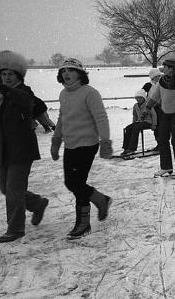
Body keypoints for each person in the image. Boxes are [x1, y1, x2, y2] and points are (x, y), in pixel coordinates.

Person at [50, 58, 113, 240]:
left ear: (80, 74)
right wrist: (56, 140)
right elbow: (62, 118)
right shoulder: (63, 94)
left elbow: (101, 117)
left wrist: (105, 141)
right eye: (63, 71)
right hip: (70, 144)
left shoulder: (90, 93)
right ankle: (100, 201)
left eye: (70, 70)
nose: (66, 74)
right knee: (73, 183)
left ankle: (84, 222)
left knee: (75, 183)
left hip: (87, 144)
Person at [0, 51, 49, 242]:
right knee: (6, 188)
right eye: (4, 74)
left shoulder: (24, 92)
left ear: (18, 75)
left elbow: (26, 102)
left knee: (14, 190)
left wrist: (6, 90)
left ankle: (16, 228)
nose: (7, 78)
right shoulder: (0, 96)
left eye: (11, 74)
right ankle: (37, 203)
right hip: (2, 149)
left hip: (21, 149)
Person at [142, 59, 175, 177]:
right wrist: (147, 108)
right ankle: (166, 166)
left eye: (165, 67)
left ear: (172, 69)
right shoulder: (163, 80)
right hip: (165, 114)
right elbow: (155, 96)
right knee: (162, 140)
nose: (163, 69)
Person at [120, 89, 156, 158]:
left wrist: (154, 124)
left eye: (140, 98)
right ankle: (126, 148)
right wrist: (133, 124)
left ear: (143, 98)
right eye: (137, 98)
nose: (138, 99)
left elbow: (154, 115)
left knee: (136, 128)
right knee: (128, 128)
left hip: (147, 122)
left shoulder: (148, 105)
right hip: (139, 122)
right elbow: (135, 116)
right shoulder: (135, 106)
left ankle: (132, 148)